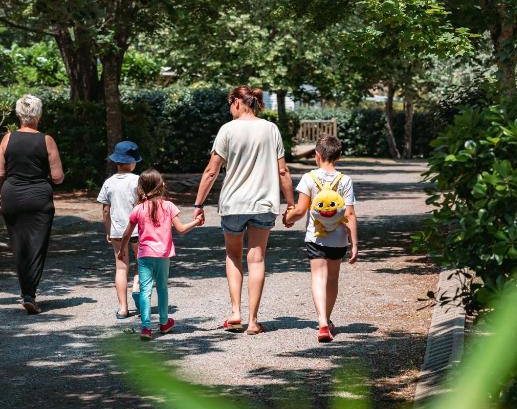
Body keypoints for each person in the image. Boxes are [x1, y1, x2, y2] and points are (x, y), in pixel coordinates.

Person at [192, 85, 295, 335]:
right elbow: (283, 171)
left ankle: (236, 312)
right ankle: (252, 321)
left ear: (237, 102)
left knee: (233, 255)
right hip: (263, 203)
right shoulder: (271, 129)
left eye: (230, 104)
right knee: (257, 258)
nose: (230, 109)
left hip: (233, 204)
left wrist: (198, 204)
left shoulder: (227, 130)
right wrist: (291, 204)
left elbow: (211, 171)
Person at [283, 135, 358, 343]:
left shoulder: (309, 178)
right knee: (332, 279)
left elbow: (300, 210)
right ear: (339, 156)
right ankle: (328, 318)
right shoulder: (345, 180)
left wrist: (288, 218)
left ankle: (322, 322)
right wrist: (354, 244)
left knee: (318, 278)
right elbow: (350, 214)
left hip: (315, 237)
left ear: (317, 155)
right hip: (338, 238)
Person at [118, 168, 203, 340]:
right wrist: (196, 221)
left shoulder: (138, 209)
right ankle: (164, 323)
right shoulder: (169, 206)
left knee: (145, 290)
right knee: (162, 288)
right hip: (163, 255)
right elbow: (180, 229)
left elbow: (127, 234)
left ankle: (146, 328)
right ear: (161, 186)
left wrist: (121, 250)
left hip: (144, 255)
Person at [0, 94, 64, 314]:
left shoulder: (7, 139)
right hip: (38, 198)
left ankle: (25, 292)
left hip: (12, 197)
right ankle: (29, 294)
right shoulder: (47, 140)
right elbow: (57, 177)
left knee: (19, 245)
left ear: (18, 114)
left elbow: (0, 172)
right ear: (39, 114)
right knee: (37, 246)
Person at [97, 140, 142, 319]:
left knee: (121, 268)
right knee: (141, 264)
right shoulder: (138, 181)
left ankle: (123, 308)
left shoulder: (108, 183)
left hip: (117, 232)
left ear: (116, 161)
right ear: (132, 162)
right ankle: (137, 287)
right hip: (138, 231)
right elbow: (143, 206)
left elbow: (106, 210)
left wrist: (108, 231)